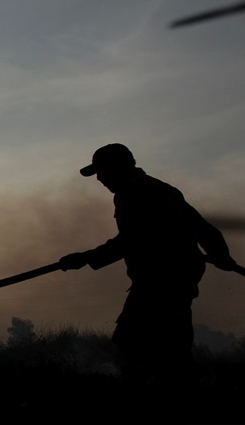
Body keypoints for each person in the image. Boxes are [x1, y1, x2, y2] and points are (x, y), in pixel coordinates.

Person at [58, 143, 238, 388]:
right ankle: (184, 382)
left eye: (102, 171)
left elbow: (134, 237)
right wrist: (220, 253)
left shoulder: (134, 191)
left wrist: (87, 258)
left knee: (131, 338)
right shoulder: (160, 188)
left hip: (162, 275)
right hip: (179, 272)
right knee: (171, 338)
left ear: (120, 166)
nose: (99, 178)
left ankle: (172, 383)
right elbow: (201, 227)